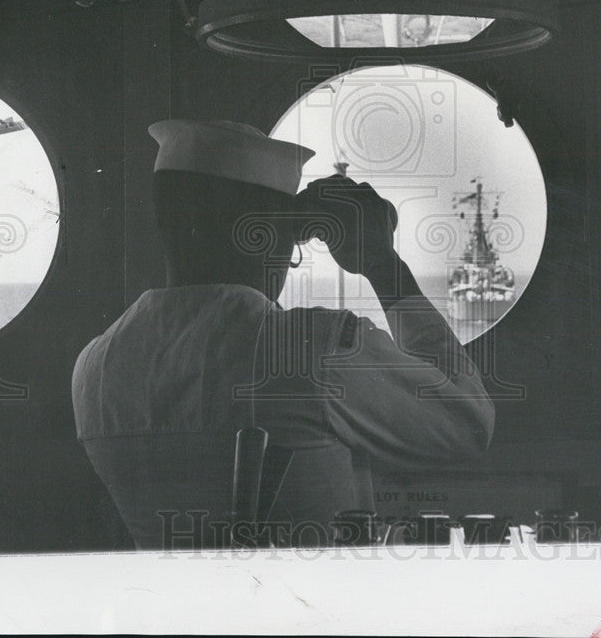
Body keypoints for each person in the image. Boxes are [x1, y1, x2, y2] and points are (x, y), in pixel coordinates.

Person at [72, 119, 495, 549]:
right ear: (262, 237)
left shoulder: (93, 366)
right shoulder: (310, 350)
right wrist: (384, 265)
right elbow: (469, 424)